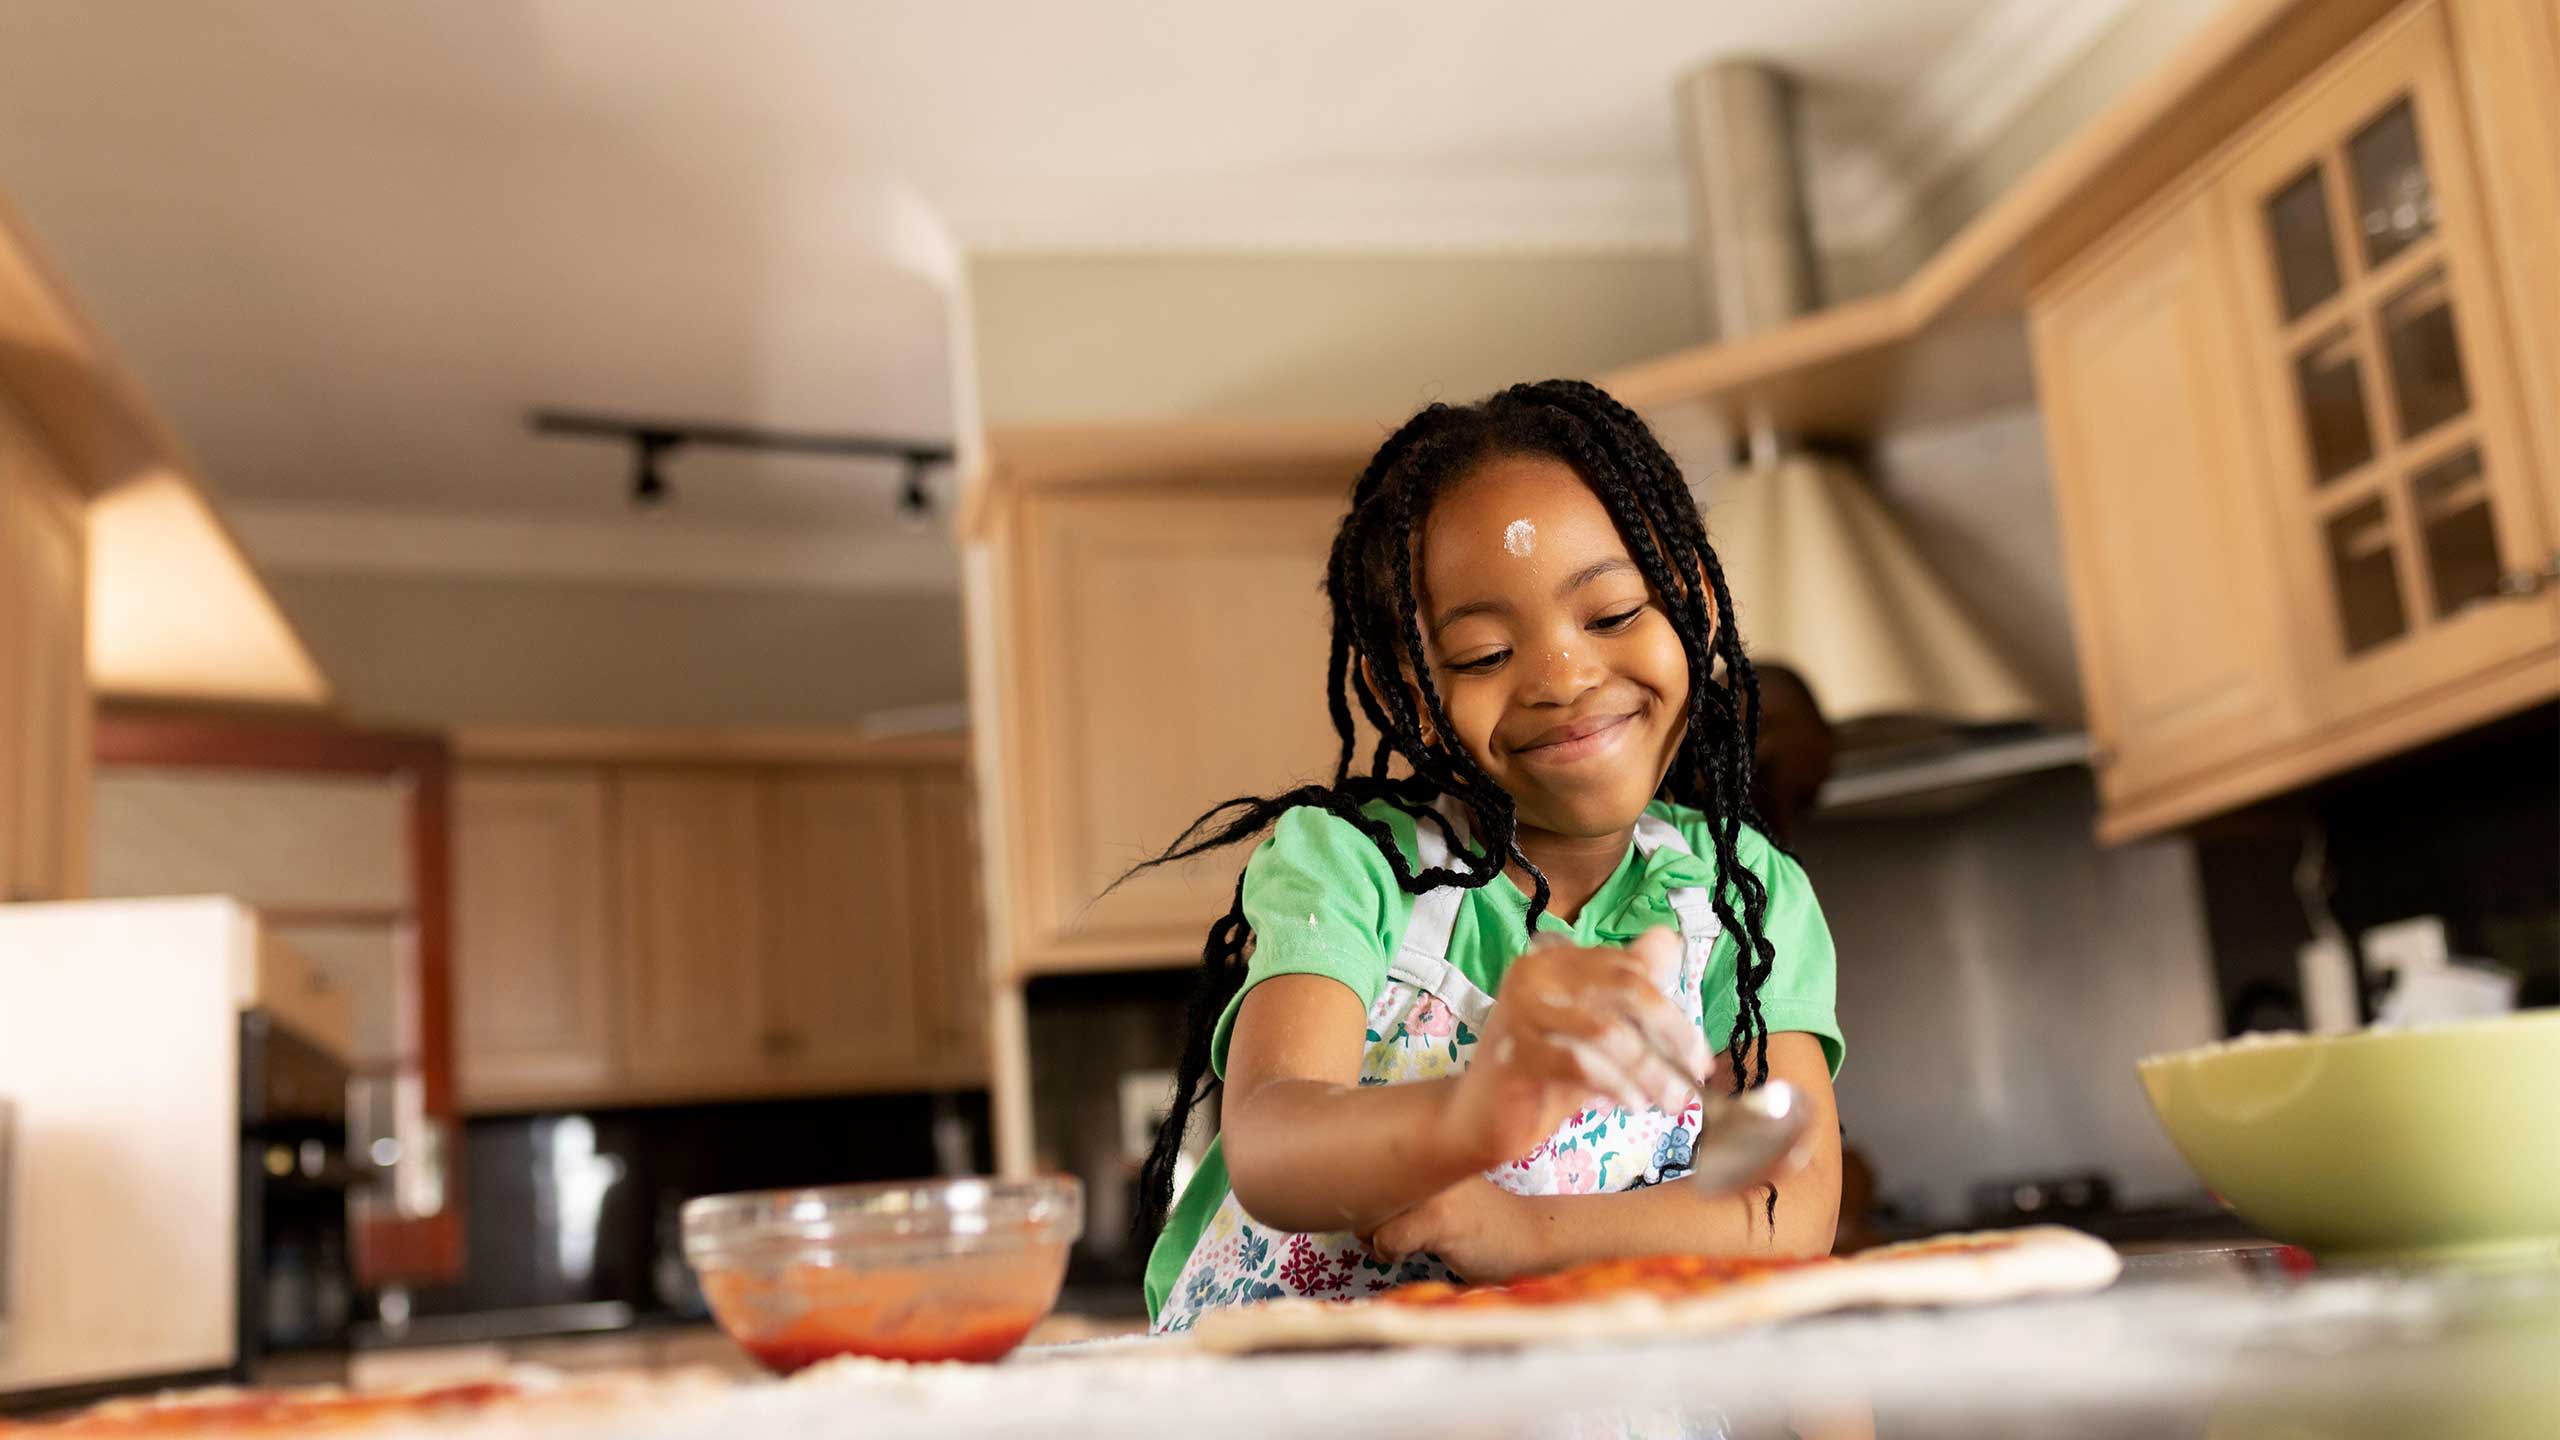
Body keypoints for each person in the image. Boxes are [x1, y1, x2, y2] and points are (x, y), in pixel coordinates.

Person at [1130, 380, 1845, 1332]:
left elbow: (1780, 1201)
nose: (1562, 677)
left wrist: (1525, 1232)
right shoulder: (1357, 867)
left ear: (1695, 606)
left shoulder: (1742, 901)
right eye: (1481, 655)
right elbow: (1273, 1148)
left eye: (1614, 612)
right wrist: (1477, 1113)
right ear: (1421, 697)